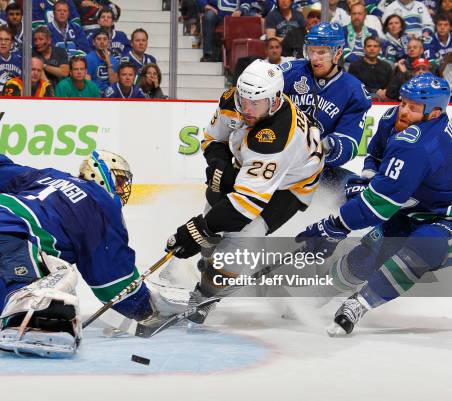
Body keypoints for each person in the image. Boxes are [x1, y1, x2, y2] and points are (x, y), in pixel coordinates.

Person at [0, 146, 178, 357]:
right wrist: (148, 308)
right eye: (120, 180)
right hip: (8, 240)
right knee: (23, 283)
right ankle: (30, 308)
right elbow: (112, 278)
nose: (122, 188)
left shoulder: (50, 176)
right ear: (101, 174)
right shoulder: (103, 205)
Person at [165, 60, 324, 323]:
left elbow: (243, 207)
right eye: (243, 99)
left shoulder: (277, 135)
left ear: (274, 101)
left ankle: (205, 295)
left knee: (244, 236)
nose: (247, 108)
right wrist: (219, 166)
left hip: (292, 184)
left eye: (255, 103)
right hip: (253, 168)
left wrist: (196, 230)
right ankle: (211, 260)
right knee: (216, 203)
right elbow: (213, 139)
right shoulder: (234, 101)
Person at [295, 73, 451, 336]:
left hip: (444, 216)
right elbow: (376, 156)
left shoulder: (420, 145)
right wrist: (367, 179)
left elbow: (378, 205)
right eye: (403, 102)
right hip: (413, 207)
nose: (403, 110)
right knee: (371, 251)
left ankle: (359, 304)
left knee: (423, 247)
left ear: (434, 114)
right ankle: (320, 292)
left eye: (413, 108)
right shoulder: (393, 120)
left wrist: (335, 225)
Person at [281, 22, 371, 171]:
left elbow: (350, 141)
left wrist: (326, 146)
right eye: (311, 51)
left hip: (317, 167)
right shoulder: (290, 72)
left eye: (322, 52)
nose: (315, 58)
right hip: (277, 156)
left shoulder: (354, 92)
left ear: (338, 53)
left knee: (353, 187)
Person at [86, 28, 119, 95]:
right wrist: (96, 92)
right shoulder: (89, 58)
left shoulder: (114, 60)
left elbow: (113, 83)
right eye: (99, 39)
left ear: (109, 42)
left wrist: (109, 63)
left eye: (105, 39)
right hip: (93, 93)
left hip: (109, 95)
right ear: (93, 42)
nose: (102, 42)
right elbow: (87, 82)